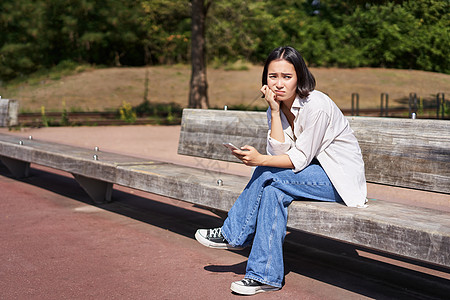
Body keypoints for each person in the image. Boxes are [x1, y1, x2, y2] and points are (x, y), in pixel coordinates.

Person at [195, 46, 367, 295]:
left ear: (300, 77)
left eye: (287, 77)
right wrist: (275, 112)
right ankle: (264, 276)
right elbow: (279, 156)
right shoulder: (275, 107)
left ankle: (233, 234)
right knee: (272, 192)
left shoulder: (316, 105)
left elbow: (297, 159)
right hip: (306, 176)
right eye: (272, 76)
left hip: (337, 180)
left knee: (267, 174)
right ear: (265, 79)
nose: (279, 83)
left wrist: (259, 160)